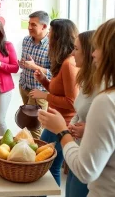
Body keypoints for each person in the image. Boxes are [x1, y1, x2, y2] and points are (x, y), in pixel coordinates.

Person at [39, 18, 115, 197]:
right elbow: (80, 110)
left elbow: (86, 170)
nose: (94, 54)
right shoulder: (90, 82)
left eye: (98, 48)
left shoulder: (106, 100)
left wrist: (62, 130)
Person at [29, 18, 79, 186]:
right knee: (48, 167)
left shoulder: (69, 64)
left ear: (60, 37)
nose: (48, 35)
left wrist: (44, 96)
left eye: (51, 33)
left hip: (61, 124)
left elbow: (72, 102)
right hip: (54, 122)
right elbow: (57, 90)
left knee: (49, 168)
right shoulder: (62, 62)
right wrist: (43, 80)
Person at [65, 31, 95, 197]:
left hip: (89, 154)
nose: (72, 53)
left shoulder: (105, 88)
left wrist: (87, 130)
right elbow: (79, 110)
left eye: (76, 49)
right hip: (78, 148)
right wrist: (73, 123)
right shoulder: (86, 79)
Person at [18, 11, 51, 139]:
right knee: (25, 123)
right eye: (29, 24)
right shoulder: (26, 40)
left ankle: (37, 157)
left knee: (36, 128)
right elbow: (25, 63)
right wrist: (23, 63)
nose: (29, 27)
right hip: (24, 87)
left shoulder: (52, 45)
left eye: (33, 24)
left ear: (44, 26)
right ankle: (26, 153)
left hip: (39, 92)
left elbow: (54, 73)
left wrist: (34, 67)